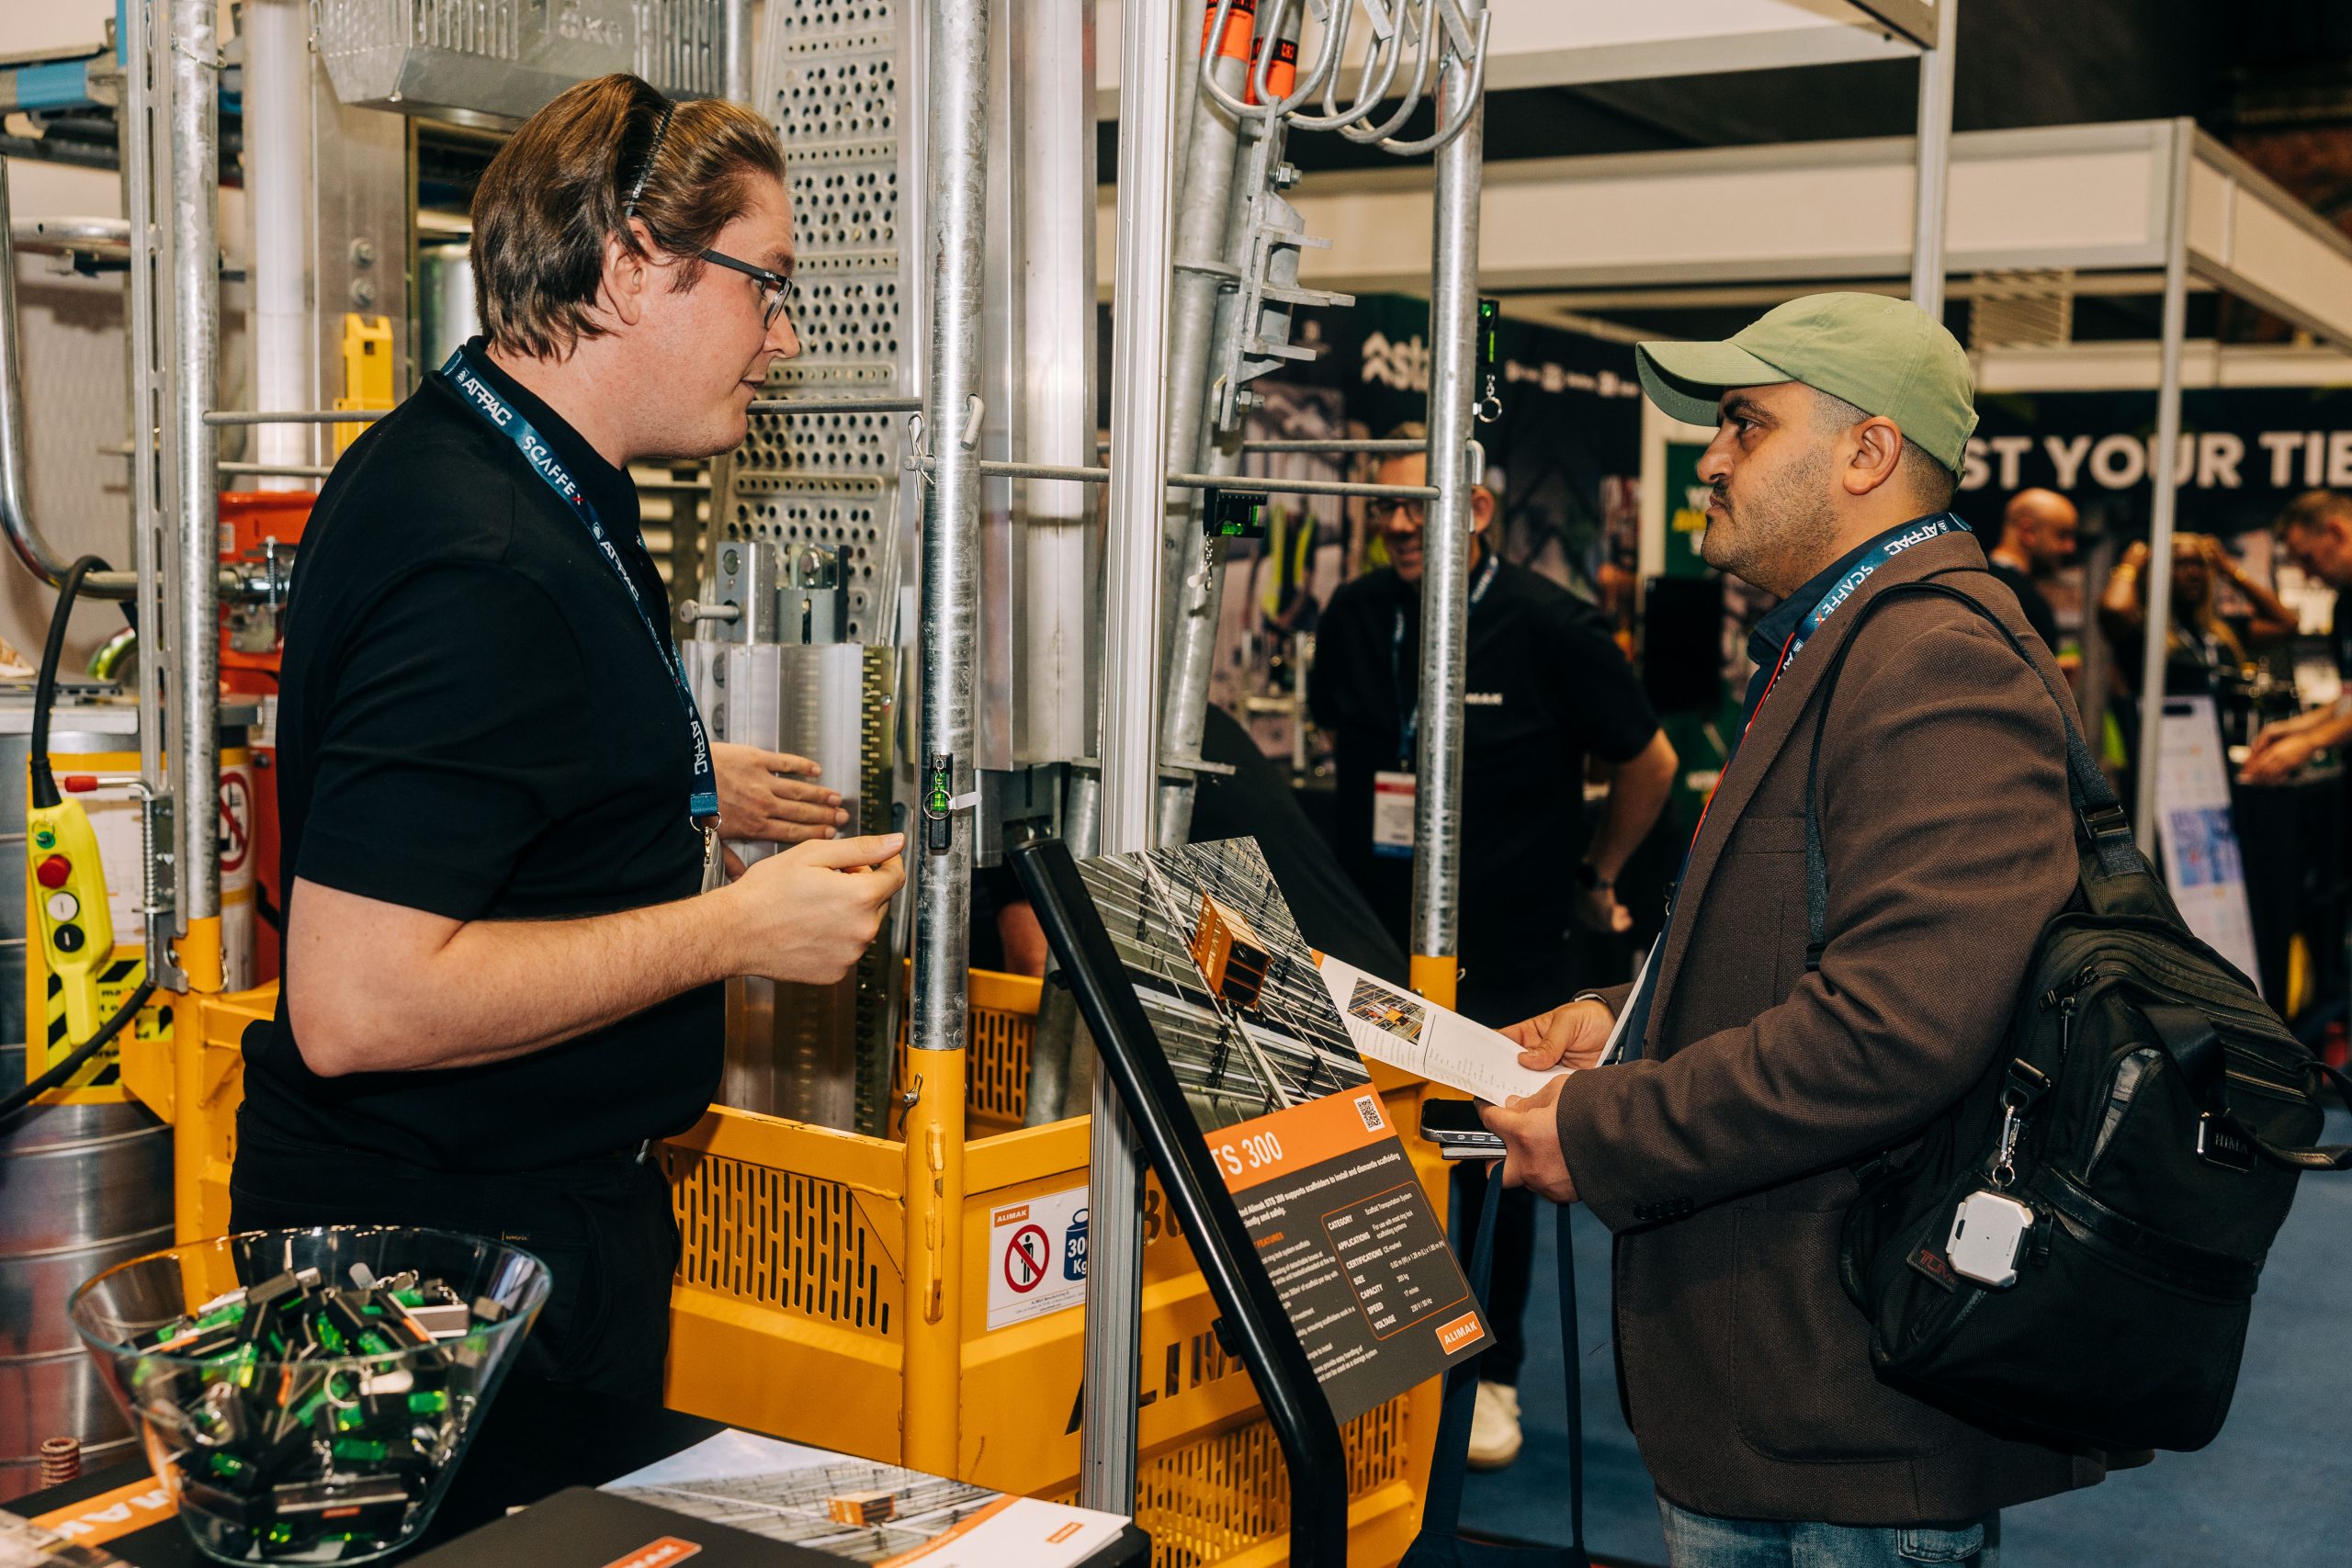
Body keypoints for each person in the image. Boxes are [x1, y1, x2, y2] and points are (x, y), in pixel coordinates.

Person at [230, 75, 908, 1403]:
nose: (780, 338)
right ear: (632, 264)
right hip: (442, 1272)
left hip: (498, 1227)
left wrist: (670, 779)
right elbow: (358, 1006)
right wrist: (735, 928)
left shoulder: (496, 461)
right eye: (766, 286)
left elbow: (501, 768)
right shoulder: (486, 556)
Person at [1481, 292, 2128, 1566]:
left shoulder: (1933, 656)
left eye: (1745, 423)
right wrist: (1627, 1024)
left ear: (1867, 452)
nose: (1711, 459)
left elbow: (1899, 1026)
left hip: (1850, 1416)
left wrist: (1607, 1128)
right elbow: (1813, 939)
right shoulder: (1846, 641)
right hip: (1783, 1393)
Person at [1308, 434, 1676, 1470]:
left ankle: (1494, 1370)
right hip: (1375, 942)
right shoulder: (1355, 614)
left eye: (1417, 506)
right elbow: (1344, 750)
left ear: (1474, 510)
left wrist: (1599, 871)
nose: (1397, 525)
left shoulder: (1551, 624)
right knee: (1371, 1148)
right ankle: (1377, 1361)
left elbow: (1649, 762)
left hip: (1509, 944)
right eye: (1384, 508)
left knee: (1491, 1151)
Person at [2243, 489, 2352, 784]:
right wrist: (2297, 728)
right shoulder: (2344, 605)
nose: (2306, 574)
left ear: (2336, 532)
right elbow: (2349, 700)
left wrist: (2310, 742)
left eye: (2308, 558)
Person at [2099, 530, 2295, 680]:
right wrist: (2130, 565)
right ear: (2158, 571)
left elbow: (2286, 623)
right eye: (2181, 564)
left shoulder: (2222, 631)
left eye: (2200, 564)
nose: (2193, 573)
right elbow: (2114, 609)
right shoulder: (2143, 633)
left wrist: (2228, 569)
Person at [1984, 487, 2075, 660]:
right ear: (2028, 532)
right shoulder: (2025, 601)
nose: (2070, 547)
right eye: (2062, 535)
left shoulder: (1974, 578)